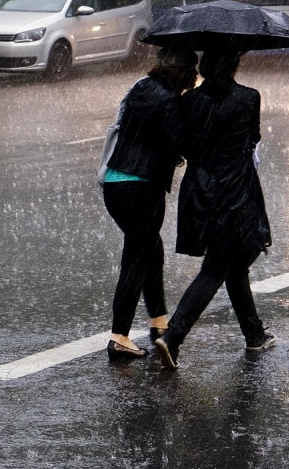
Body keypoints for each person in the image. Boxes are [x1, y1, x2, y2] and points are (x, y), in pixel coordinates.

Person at [154, 47, 275, 370]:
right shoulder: (250, 98)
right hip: (235, 193)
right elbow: (253, 139)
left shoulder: (188, 102)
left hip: (200, 192)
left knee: (232, 263)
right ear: (235, 64)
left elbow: (181, 145)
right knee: (217, 266)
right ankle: (173, 336)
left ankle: (254, 333)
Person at [101, 47, 198, 360]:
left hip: (115, 185)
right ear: (181, 72)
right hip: (142, 188)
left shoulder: (142, 87)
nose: (196, 77)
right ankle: (119, 336)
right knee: (136, 259)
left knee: (149, 250)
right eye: (192, 71)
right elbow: (179, 144)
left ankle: (158, 321)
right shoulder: (170, 101)